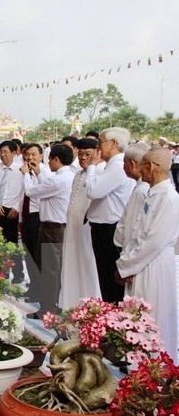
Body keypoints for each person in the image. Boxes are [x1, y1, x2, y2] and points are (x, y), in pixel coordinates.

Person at [116, 148, 179, 363]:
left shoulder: (169, 198)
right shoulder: (152, 193)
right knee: (137, 316)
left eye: (142, 164)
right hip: (140, 262)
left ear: (151, 167)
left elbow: (153, 242)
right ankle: (137, 365)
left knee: (154, 317)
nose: (139, 169)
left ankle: (156, 367)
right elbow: (136, 231)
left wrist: (125, 265)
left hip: (155, 264)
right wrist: (128, 264)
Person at [21, 144, 75, 318]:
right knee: (52, 269)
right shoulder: (65, 176)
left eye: (49, 159)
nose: (48, 163)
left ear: (56, 159)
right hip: (55, 228)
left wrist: (25, 175)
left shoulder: (58, 179)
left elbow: (32, 191)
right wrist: (37, 173)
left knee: (49, 271)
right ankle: (53, 304)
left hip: (53, 229)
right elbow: (46, 185)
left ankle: (48, 308)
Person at [85, 127, 135, 303]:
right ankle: (110, 317)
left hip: (109, 229)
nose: (98, 146)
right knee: (105, 278)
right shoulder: (111, 165)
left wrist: (91, 167)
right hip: (103, 228)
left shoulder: (117, 166)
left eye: (101, 142)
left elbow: (93, 190)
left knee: (110, 280)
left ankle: (113, 319)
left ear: (113, 144)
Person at [58, 139, 102, 310]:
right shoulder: (77, 174)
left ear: (97, 154)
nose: (83, 158)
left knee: (88, 266)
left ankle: (92, 305)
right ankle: (71, 303)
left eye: (88, 154)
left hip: (87, 229)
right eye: (81, 154)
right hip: (72, 227)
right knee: (71, 264)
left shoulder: (99, 173)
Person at [0, 140, 24, 284]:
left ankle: (18, 272)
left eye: (6, 152)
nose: (3, 155)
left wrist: (16, 207)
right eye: (1, 152)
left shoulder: (20, 169)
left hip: (11, 210)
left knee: (12, 242)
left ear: (14, 153)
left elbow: (24, 190)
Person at [20, 143, 51, 302]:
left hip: (38, 216)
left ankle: (40, 290)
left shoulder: (45, 173)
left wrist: (27, 175)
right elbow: (22, 196)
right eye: (27, 155)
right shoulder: (25, 170)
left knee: (38, 257)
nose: (30, 158)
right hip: (27, 215)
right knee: (29, 254)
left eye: (33, 154)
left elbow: (34, 193)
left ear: (41, 156)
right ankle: (33, 286)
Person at [113, 142, 151, 251]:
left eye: (124, 162)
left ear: (132, 164)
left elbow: (133, 225)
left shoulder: (141, 190)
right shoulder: (140, 186)